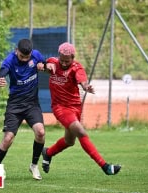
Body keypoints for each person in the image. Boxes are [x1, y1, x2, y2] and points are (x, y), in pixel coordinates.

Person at [41, 42, 121, 176]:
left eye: (67, 61)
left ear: (73, 58)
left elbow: (82, 81)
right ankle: (105, 166)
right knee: (81, 132)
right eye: (62, 60)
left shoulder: (77, 68)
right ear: (58, 55)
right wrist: (45, 66)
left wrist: (86, 87)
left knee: (69, 141)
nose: (64, 63)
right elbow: (45, 65)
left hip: (75, 108)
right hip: (60, 108)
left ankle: (48, 153)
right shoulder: (53, 62)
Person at [0, 39, 46, 180]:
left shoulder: (36, 55)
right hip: (15, 105)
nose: (24, 59)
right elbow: (1, 73)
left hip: (32, 104)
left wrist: (44, 66)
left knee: (40, 132)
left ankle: (34, 165)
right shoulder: (10, 60)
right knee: (8, 138)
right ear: (16, 50)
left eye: (27, 57)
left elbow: (46, 65)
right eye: (22, 56)